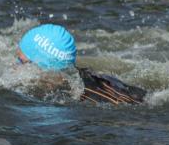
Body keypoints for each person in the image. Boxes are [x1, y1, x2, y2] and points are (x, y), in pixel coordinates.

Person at [17, 24, 147, 105]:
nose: (15, 68)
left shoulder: (94, 100)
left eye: (21, 62)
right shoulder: (80, 80)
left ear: (45, 67)